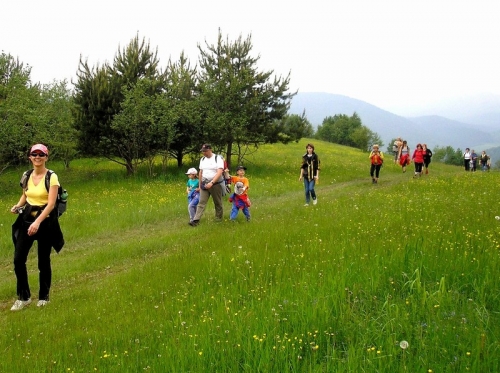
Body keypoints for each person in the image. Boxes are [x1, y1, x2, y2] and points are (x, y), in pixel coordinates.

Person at [10, 144, 64, 311]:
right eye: (34, 154)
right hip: (27, 220)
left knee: (43, 261)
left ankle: (44, 297)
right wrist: (18, 206)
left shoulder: (51, 177)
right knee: (18, 260)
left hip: (45, 222)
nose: (37, 157)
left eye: (41, 154)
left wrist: (37, 222)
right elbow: (25, 195)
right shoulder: (27, 175)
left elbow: (51, 204)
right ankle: (24, 297)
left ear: (46, 157)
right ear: (30, 157)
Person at [189, 144, 224, 226]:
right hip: (204, 183)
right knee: (201, 202)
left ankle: (218, 219)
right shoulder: (203, 159)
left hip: (215, 184)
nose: (204, 153)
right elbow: (201, 172)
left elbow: (219, 172)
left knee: (217, 202)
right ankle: (196, 220)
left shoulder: (217, 158)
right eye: (203, 151)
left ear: (210, 150)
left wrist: (212, 183)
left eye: (205, 151)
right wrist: (200, 184)